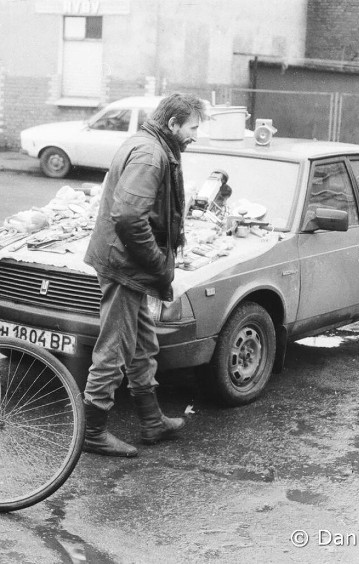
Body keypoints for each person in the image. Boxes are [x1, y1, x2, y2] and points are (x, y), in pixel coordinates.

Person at [82, 92, 207, 457]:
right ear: (172, 124)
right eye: (192, 128)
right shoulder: (152, 156)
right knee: (114, 347)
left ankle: (152, 421)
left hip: (127, 264)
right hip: (126, 267)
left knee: (142, 343)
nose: (195, 136)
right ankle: (93, 431)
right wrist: (155, 262)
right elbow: (127, 216)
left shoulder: (150, 144)